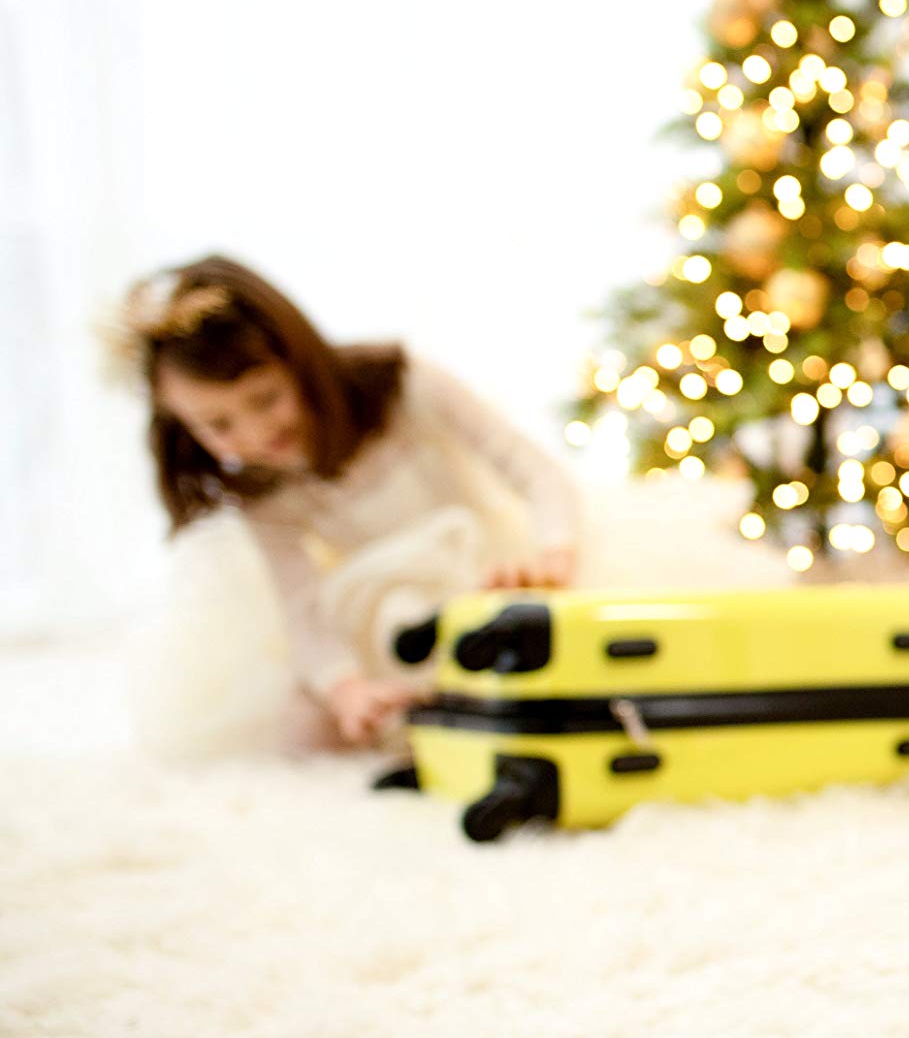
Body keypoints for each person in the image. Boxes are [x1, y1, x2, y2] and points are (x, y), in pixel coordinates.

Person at [119, 255, 579, 749]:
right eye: (217, 425)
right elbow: (301, 604)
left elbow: (534, 471)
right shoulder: (261, 488)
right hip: (383, 618)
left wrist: (553, 555)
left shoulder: (407, 384)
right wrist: (347, 690)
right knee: (304, 730)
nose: (254, 433)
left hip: (490, 577)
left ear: (298, 361)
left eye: (266, 399)